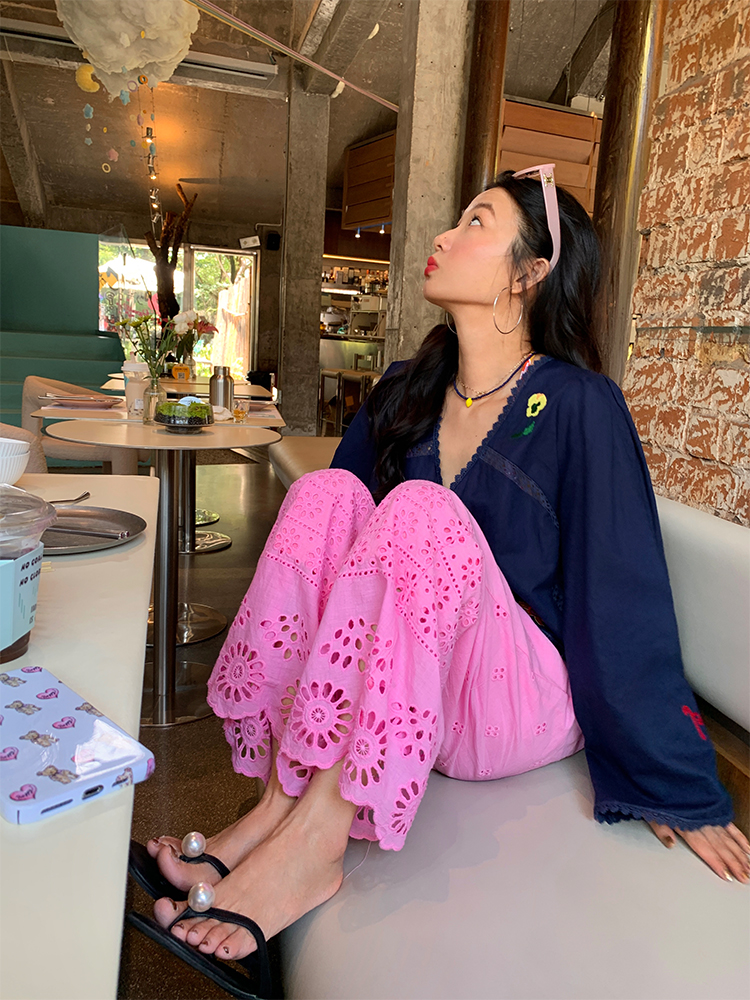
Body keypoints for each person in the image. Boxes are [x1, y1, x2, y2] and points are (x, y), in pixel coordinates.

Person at [136, 165, 749, 986]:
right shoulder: (407, 387)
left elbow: (623, 592)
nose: (442, 236)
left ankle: (316, 844)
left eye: (476, 223)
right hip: (413, 696)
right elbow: (342, 556)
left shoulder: (579, 404)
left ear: (529, 273)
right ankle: (270, 816)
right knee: (326, 495)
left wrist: (677, 785)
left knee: (423, 511)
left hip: (517, 700)